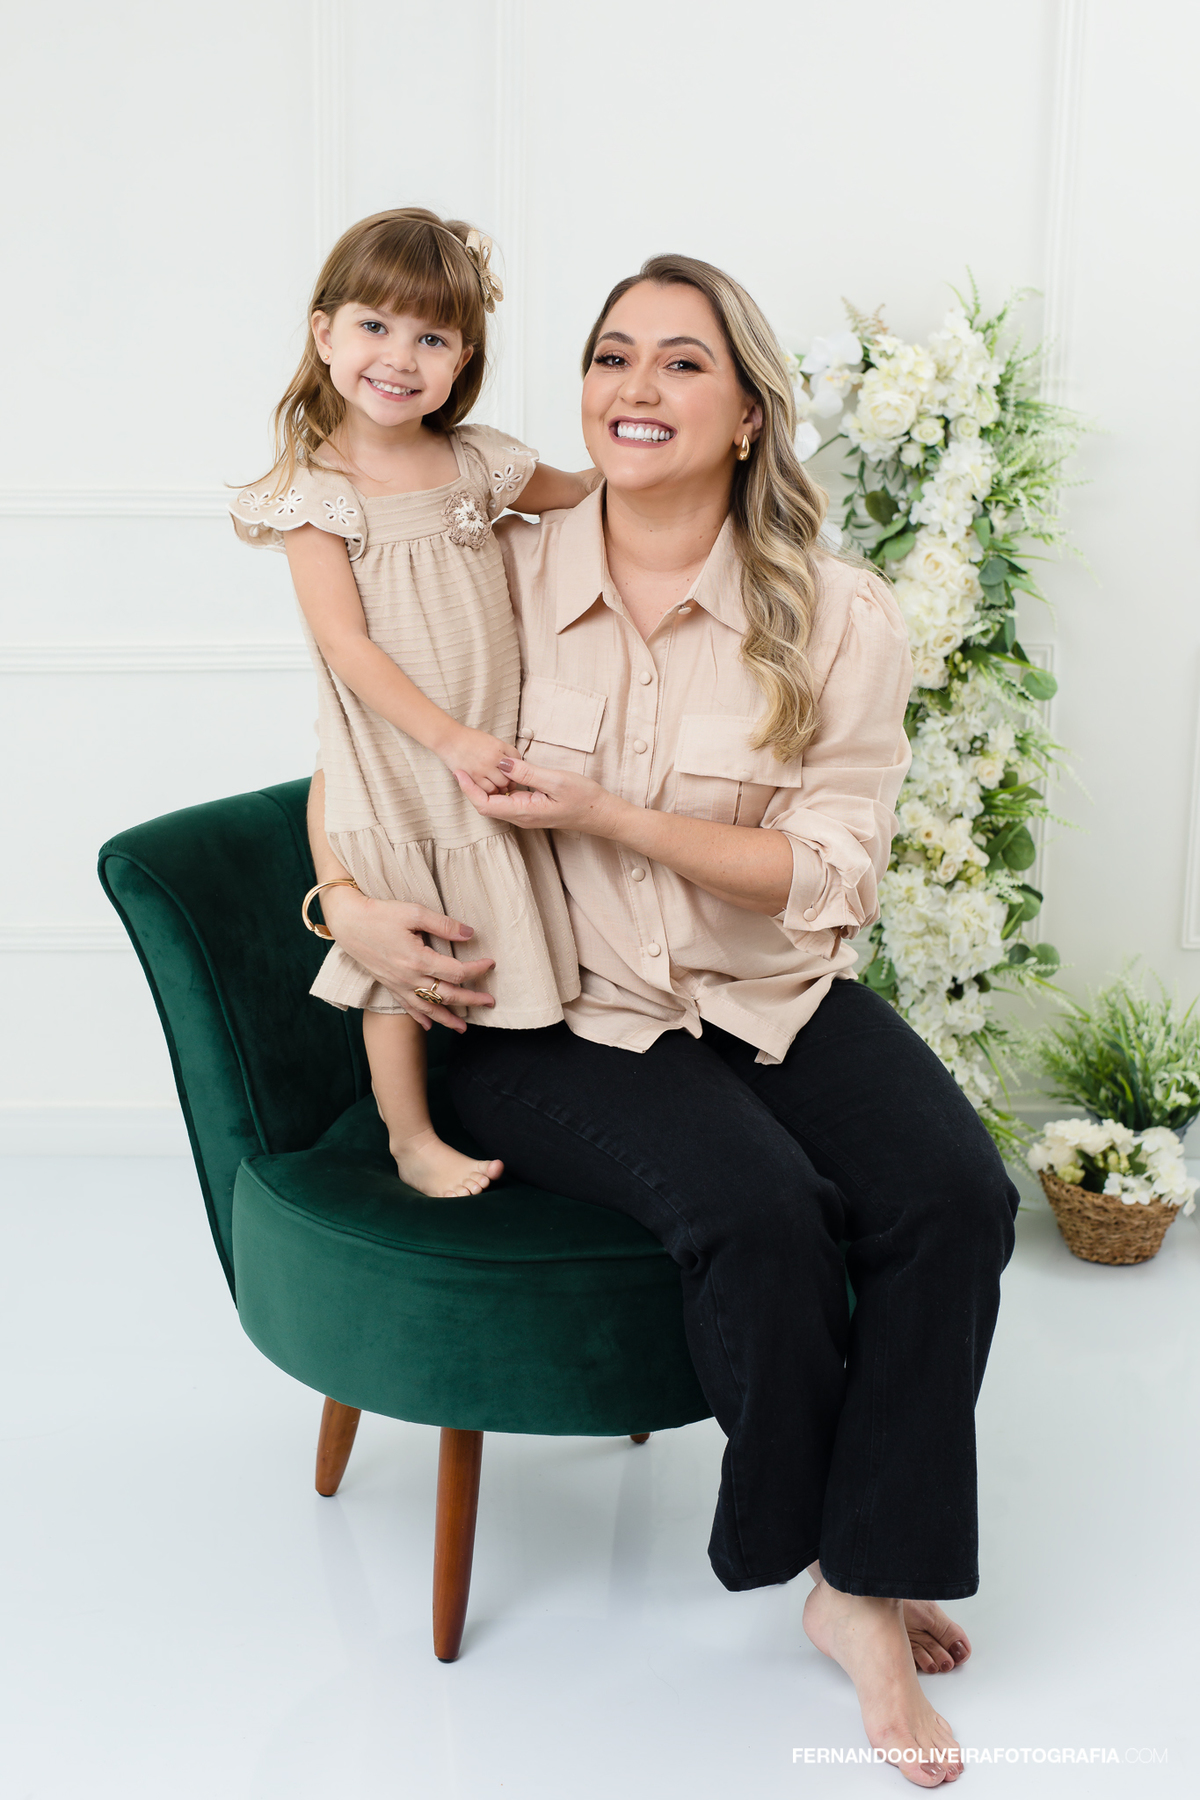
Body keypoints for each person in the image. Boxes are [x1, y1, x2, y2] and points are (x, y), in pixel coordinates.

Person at [308, 253, 1019, 1786]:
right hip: (543, 1010)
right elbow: (358, 742)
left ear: (752, 414)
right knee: (759, 1210)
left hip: (756, 983)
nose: (636, 388)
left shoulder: (836, 616)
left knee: (955, 1197)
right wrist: (343, 911)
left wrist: (616, 817)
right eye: (612, 355)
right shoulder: (494, 555)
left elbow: (830, 873)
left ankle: (860, 1573)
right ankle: (849, 1573)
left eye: (682, 363)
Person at [229, 208, 592, 1198]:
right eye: (375, 328)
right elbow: (346, 644)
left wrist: (680, 481)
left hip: (488, 741)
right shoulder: (320, 490)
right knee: (404, 945)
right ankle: (409, 1133)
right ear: (325, 334)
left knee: (502, 924)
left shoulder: (478, 462)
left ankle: (540, 1089)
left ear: (463, 354)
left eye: (431, 337)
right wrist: (449, 738)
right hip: (398, 752)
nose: (400, 357)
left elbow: (584, 493)